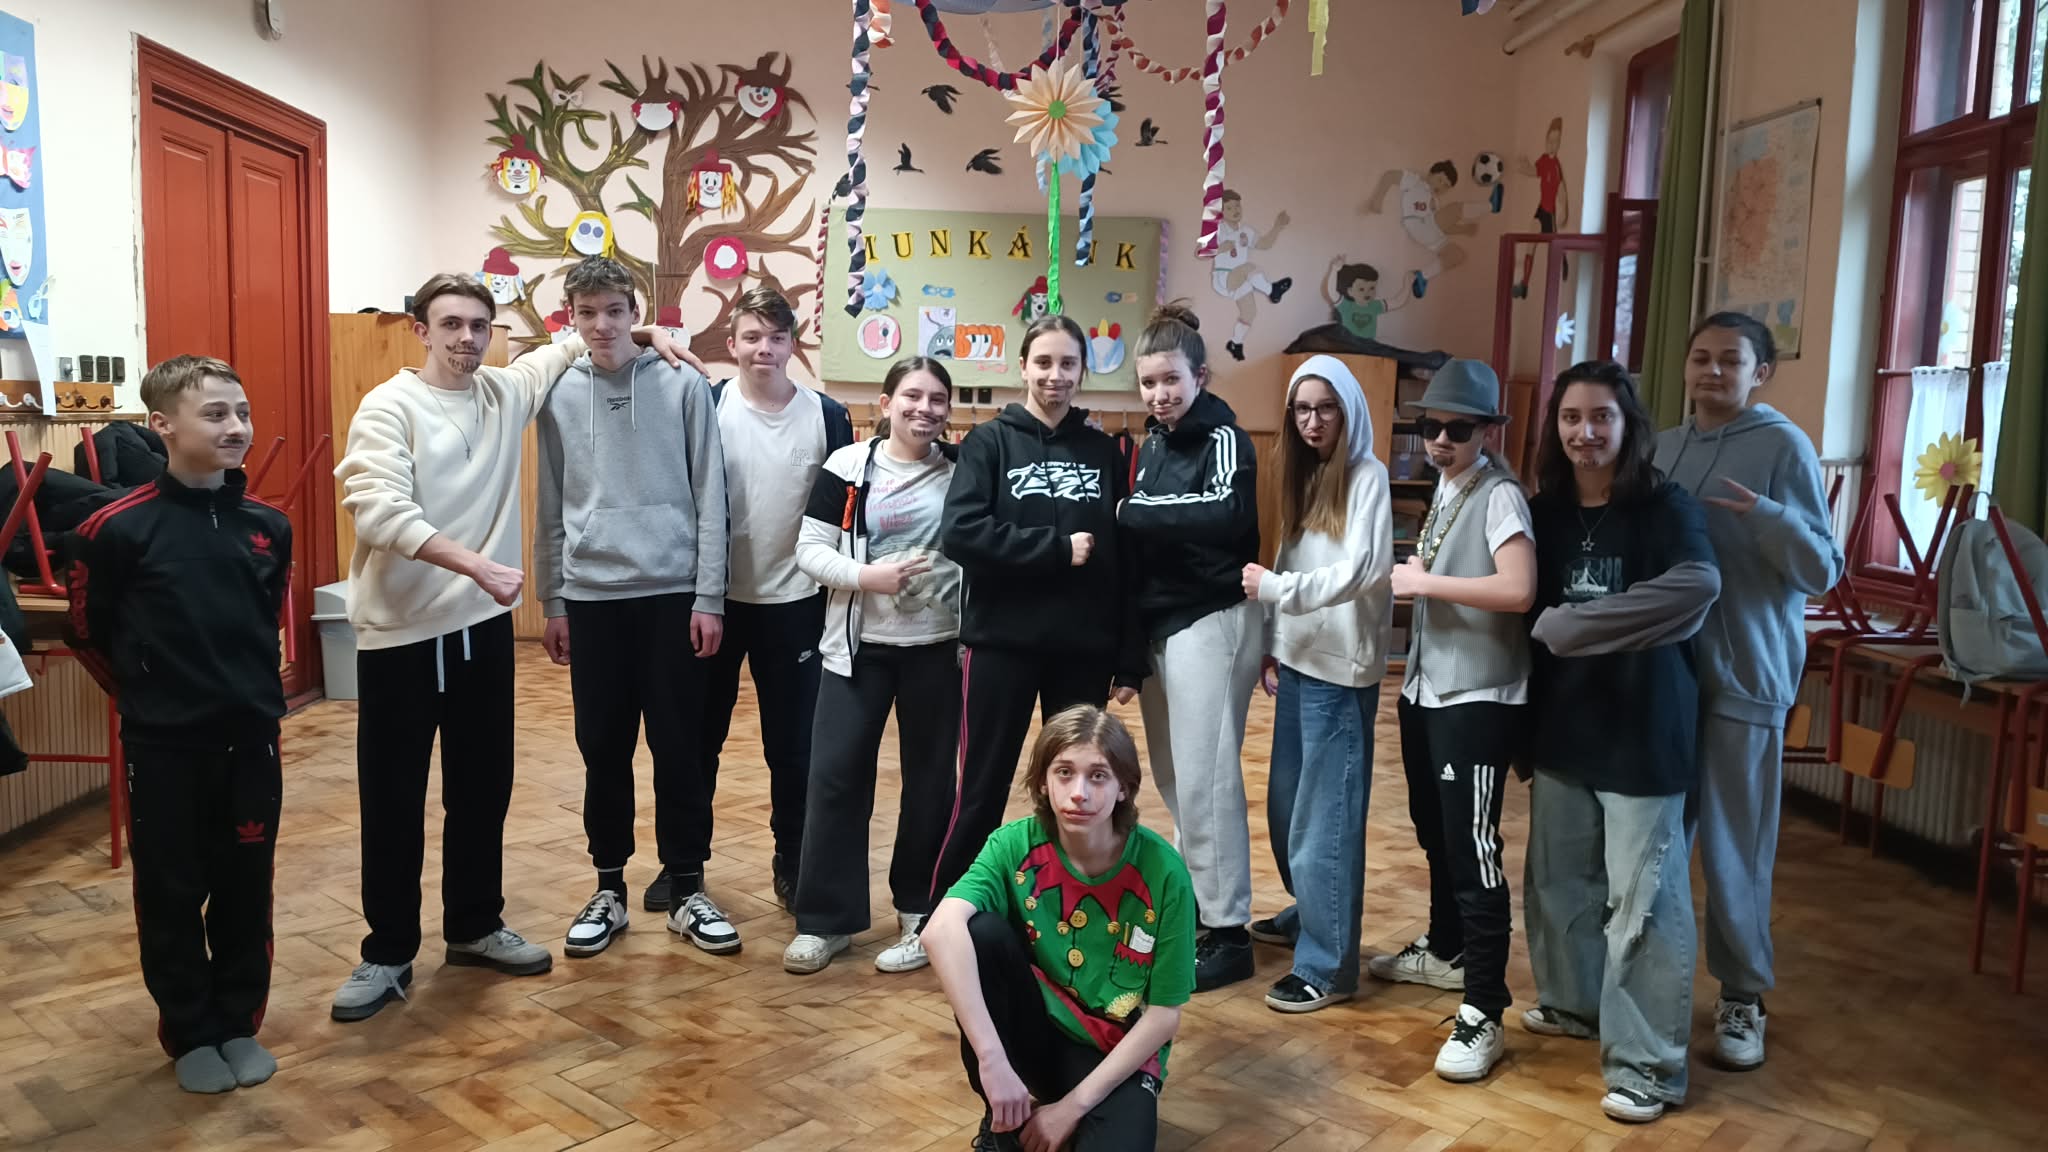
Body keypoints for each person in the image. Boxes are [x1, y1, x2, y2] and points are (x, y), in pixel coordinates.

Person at [331, 273, 692, 1021]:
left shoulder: (504, 391)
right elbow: (376, 511)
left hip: (480, 633)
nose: (466, 339)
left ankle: (474, 926)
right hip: (402, 637)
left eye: (478, 325)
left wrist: (646, 332)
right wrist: (475, 565)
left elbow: (578, 339)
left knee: (482, 790)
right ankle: (387, 950)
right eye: (451, 324)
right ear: (420, 330)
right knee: (393, 799)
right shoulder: (388, 406)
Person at [66, 356, 291, 1094]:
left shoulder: (269, 526)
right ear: (162, 424)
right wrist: (149, 701)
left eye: (242, 412)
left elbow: (264, 620)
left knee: (245, 888)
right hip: (163, 747)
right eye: (216, 414)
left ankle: (237, 1022)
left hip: (251, 741)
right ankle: (190, 1030)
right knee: (170, 890)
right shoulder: (114, 530)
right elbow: (87, 631)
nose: (237, 427)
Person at [1521, 360, 1720, 1124]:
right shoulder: (1543, 511)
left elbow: (1698, 586)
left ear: (1628, 425)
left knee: (1643, 907)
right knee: (1561, 886)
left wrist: (1575, 627)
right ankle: (1574, 1006)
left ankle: (1648, 1067)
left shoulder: (1665, 506)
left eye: (1601, 417)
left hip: (1645, 734)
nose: (1585, 432)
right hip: (1564, 729)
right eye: (1571, 417)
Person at [1654, 313, 1842, 1071]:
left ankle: (1742, 997)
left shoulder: (1783, 445)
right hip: (1667, 678)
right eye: (1700, 357)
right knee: (1658, 842)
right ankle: (1655, 985)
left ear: (1758, 373)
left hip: (1747, 677)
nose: (1711, 371)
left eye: (1729, 360)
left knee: (1736, 848)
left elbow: (1822, 570)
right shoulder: (1662, 448)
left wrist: (1766, 515)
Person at [535, 257, 728, 958]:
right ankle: (608, 887)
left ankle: (687, 887)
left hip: (673, 595)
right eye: (586, 313)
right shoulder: (556, 389)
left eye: (615, 311)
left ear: (634, 313)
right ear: (571, 319)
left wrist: (709, 594)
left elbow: (711, 493)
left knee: (680, 747)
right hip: (592, 600)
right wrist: (552, 597)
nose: (602, 326)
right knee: (603, 749)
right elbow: (550, 497)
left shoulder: (682, 382)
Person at [930, 313, 1147, 906]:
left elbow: (1125, 560)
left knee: (1077, 790)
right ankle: (947, 914)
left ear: (1083, 371)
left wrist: (1129, 657)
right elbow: (961, 533)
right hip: (1000, 644)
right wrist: (1054, 549)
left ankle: (1065, 910)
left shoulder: (1105, 451)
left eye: (1068, 364)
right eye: (1044, 362)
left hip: (1082, 650)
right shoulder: (989, 443)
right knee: (980, 789)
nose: (1056, 375)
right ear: (1022, 367)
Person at [922, 706, 1195, 1151]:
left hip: (1112, 1049)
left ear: (1124, 788)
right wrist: (992, 1062)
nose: (1079, 793)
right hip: (1033, 1031)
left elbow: (1165, 1016)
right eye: (1064, 773)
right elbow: (939, 931)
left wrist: (1071, 1107)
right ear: (1043, 783)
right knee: (979, 934)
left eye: (1098, 776)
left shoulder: (1164, 872)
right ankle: (1001, 1120)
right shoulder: (1013, 844)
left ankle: (1059, 1111)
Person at [1380, 359, 1536, 1081]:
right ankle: (1446, 949)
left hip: (1477, 694)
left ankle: (1484, 1006)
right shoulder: (1448, 485)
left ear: (1487, 431)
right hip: (1427, 688)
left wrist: (1425, 582)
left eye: (1458, 428)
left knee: (1473, 846)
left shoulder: (1499, 494)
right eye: (1430, 425)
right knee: (1434, 830)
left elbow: (1518, 589)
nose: (1441, 439)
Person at [783, 357, 962, 975]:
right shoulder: (848, 467)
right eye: (912, 395)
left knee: (931, 785)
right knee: (834, 778)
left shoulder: (962, 469)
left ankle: (920, 909)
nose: (924, 408)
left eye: (937, 399)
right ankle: (825, 921)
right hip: (857, 651)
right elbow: (809, 550)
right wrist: (866, 576)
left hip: (938, 649)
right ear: (886, 404)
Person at [692, 286, 855, 922]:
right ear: (732, 343)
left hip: (798, 604)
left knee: (793, 751)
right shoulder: (707, 405)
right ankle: (687, 868)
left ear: (792, 344)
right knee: (697, 742)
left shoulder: (827, 416)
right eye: (753, 337)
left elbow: (844, 514)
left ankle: (793, 862)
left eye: (777, 337)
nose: (765, 348)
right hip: (715, 603)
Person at [1241, 354, 1394, 1013]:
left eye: (1325, 408)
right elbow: (1291, 556)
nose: (1313, 421)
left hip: (1340, 673)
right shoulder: (1304, 473)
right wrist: (1273, 641)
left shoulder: (1369, 477)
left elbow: (1363, 570)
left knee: (1324, 822)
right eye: (1302, 409)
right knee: (1286, 811)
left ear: (1348, 411)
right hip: (1300, 661)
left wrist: (1277, 591)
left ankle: (1328, 966)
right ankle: (1312, 910)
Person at [1117, 303, 1261, 993]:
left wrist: (1136, 513)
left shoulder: (1225, 437)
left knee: (1208, 779)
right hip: (1162, 624)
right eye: (1148, 382)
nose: (1159, 394)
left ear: (1199, 375)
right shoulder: (1152, 445)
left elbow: (1228, 514)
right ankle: (1202, 909)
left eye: (1171, 379)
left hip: (1214, 617)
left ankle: (1230, 932)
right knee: (1177, 779)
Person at [1211, 190, 1294, 361]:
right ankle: (1272, 290)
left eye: (1237, 206)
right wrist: (1220, 248)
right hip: (1224, 277)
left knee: (1250, 312)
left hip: (1240, 277)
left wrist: (1277, 227)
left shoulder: (1246, 231)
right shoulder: (1218, 230)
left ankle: (1235, 343)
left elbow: (1264, 244)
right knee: (1248, 267)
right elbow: (1200, 252)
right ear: (1221, 212)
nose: (1235, 210)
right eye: (1229, 208)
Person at [1321, 259, 1408, 343]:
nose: (1367, 293)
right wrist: (1335, 269)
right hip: (1349, 345)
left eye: (1372, 288)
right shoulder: (1346, 305)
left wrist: (1408, 283)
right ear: (1350, 291)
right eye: (1361, 289)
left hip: (1368, 345)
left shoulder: (1375, 305)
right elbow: (1331, 291)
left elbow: (1398, 302)